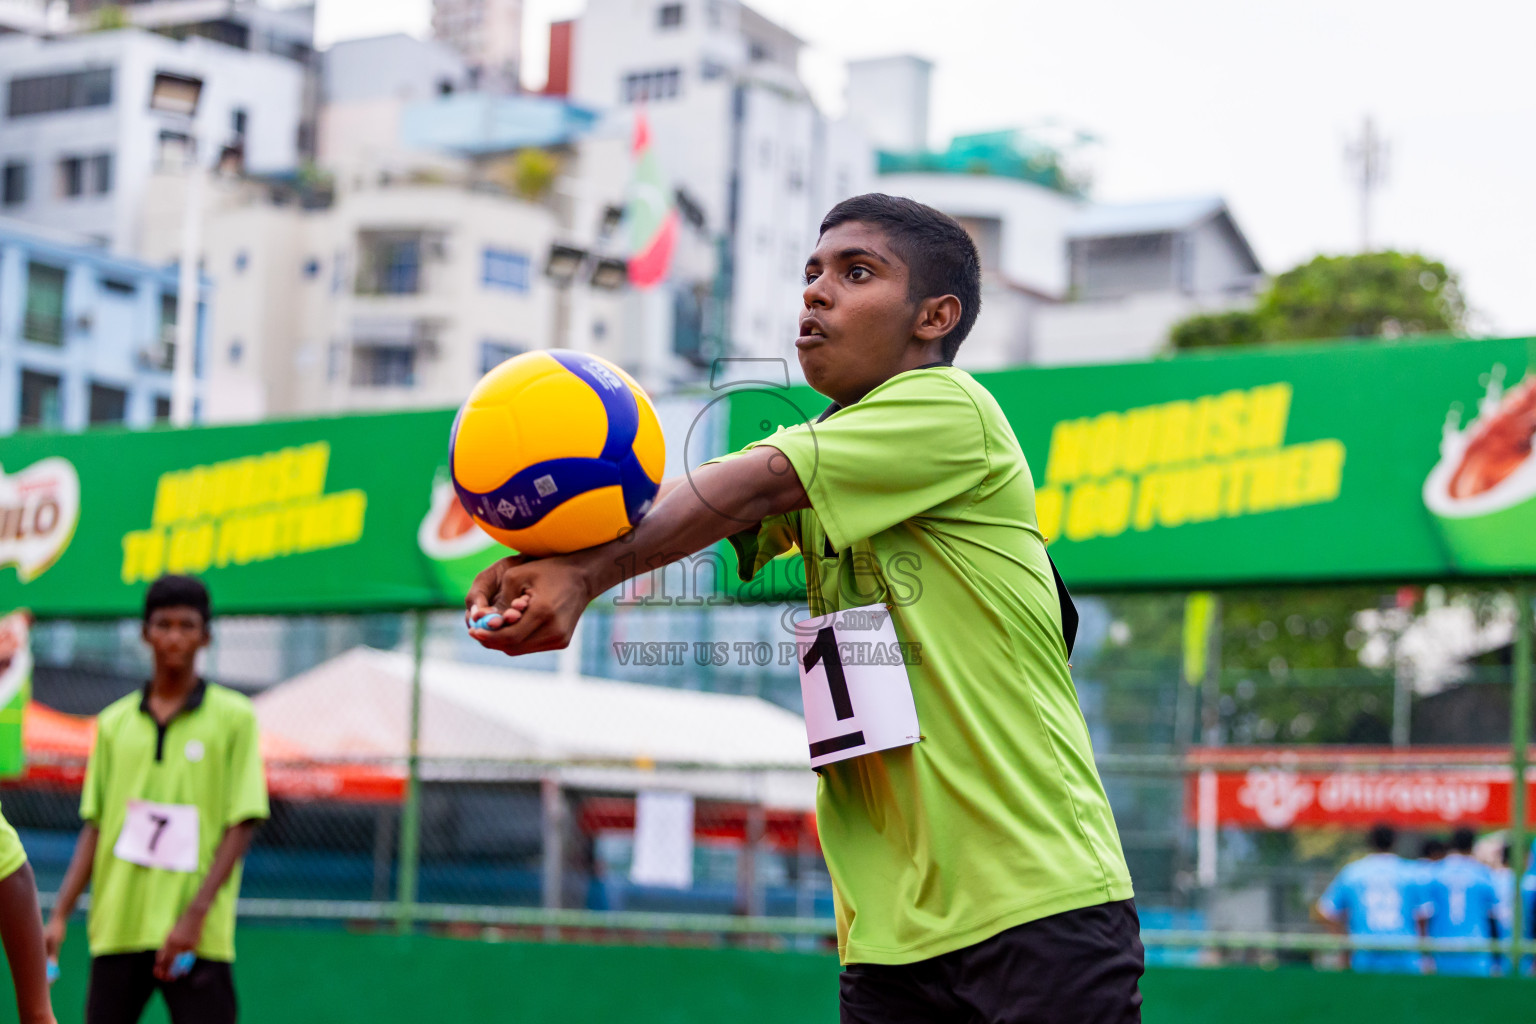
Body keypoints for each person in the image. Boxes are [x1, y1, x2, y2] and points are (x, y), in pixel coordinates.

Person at [467, 194, 1141, 1023]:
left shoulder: (953, 409)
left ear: (936, 316)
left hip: (1036, 900)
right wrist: (556, 560)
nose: (816, 293)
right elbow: (716, 502)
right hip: (889, 932)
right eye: (810, 274)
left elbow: (760, 482)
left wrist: (582, 573)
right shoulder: (831, 448)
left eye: (856, 273)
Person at [43, 576, 269, 1024]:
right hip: (120, 927)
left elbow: (243, 820)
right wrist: (59, 914)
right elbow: (97, 824)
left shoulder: (235, 718)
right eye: (163, 625)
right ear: (145, 633)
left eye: (187, 625)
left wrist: (194, 917)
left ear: (206, 635)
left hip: (196, 937)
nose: (174, 637)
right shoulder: (112, 724)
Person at [1315, 824, 1426, 974]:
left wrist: (1345, 941)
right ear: (1394, 842)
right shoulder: (1411, 873)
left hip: (1365, 954)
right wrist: (1425, 951)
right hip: (1404, 954)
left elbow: (1324, 911)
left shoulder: (1353, 872)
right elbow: (1423, 916)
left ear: (1370, 842)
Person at [1420, 826, 1499, 976]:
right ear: (1472, 845)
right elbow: (1492, 917)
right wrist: (1497, 958)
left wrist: (1425, 954)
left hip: (1442, 951)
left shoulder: (1434, 873)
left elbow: (1425, 917)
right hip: (1476, 950)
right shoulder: (1483, 874)